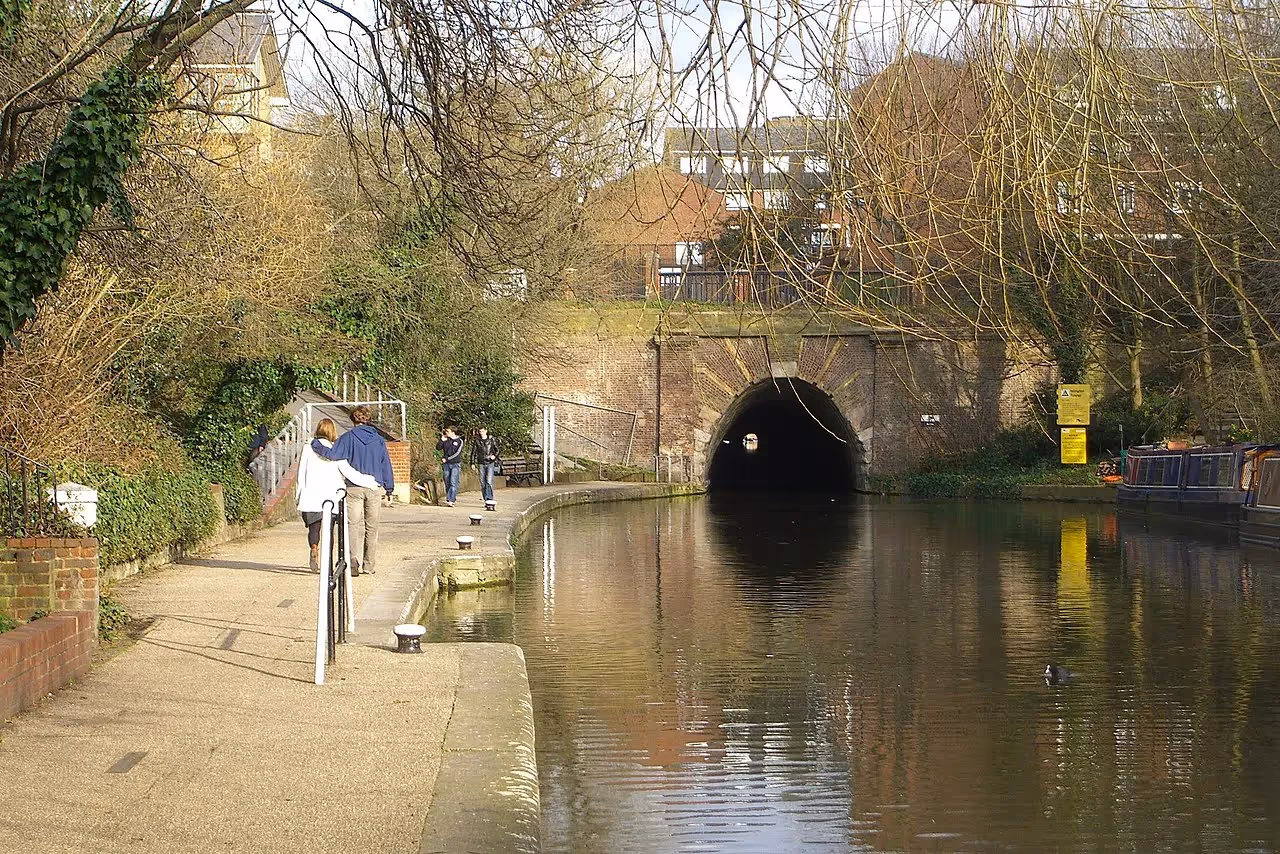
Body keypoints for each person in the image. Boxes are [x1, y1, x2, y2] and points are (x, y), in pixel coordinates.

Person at [311, 406, 394, 576]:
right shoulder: (378, 440)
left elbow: (333, 454)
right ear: (367, 419)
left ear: (353, 419)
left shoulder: (348, 438)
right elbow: (386, 464)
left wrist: (316, 444)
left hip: (353, 487)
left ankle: (352, 563)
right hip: (374, 486)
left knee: (352, 526)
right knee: (372, 527)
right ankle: (369, 565)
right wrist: (389, 488)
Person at [295, 418, 379, 571]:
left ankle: (314, 548)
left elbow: (301, 473)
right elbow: (349, 473)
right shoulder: (336, 449)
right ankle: (327, 563)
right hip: (330, 498)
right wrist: (370, 481)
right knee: (329, 531)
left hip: (310, 496)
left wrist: (299, 494)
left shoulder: (308, 447)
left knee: (314, 529)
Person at [470, 427, 501, 509]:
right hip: (481, 463)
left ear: (486, 431)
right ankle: (485, 499)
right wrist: (472, 463)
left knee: (489, 481)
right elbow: (473, 453)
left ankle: (489, 499)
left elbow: (497, 450)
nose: (481, 433)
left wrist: (494, 456)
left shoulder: (491, 439)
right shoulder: (477, 441)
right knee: (483, 482)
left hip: (490, 462)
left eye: (483, 431)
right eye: (480, 431)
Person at [436, 426, 464, 507]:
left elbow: (457, 453)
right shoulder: (446, 440)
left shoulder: (459, 441)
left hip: (455, 464)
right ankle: (449, 498)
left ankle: (452, 499)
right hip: (446, 464)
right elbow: (438, 448)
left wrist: (447, 459)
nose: (446, 433)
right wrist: (441, 440)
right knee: (447, 481)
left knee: (453, 482)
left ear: (453, 432)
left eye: (447, 431)